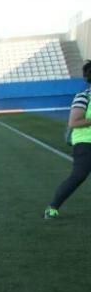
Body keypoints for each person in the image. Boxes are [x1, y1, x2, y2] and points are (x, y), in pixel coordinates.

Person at [45, 60, 91, 219]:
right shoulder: (83, 96)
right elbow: (74, 122)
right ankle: (52, 207)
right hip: (86, 144)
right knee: (79, 176)